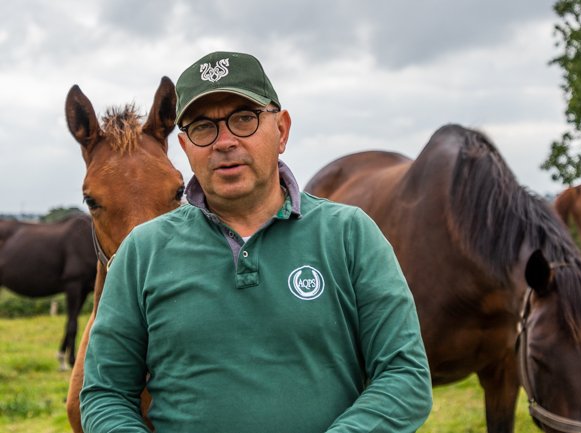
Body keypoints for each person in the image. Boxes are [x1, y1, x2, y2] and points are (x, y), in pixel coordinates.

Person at [80, 50, 432, 433]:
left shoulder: (350, 235)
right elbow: (105, 394)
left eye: (244, 118)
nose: (224, 141)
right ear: (185, 147)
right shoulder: (141, 252)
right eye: (203, 127)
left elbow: (405, 376)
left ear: (281, 130)